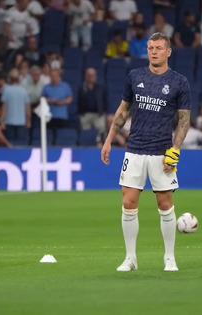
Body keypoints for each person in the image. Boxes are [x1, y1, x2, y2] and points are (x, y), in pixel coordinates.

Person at [100, 32, 191, 272]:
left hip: (162, 152)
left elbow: (184, 121)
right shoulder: (135, 76)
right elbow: (123, 110)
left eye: (159, 48)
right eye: (151, 47)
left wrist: (176, 149)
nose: (153, 51)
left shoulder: (179, 81)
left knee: (165, 204)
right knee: (128, 202)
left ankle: (169, 258)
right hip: (135, 150)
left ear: (168, 52)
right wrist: (109, 140)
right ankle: (131, 258)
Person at [1, 69, 31, 141]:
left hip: (9, 122)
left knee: (11, 143)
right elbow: (28, 109)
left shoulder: (6, 91)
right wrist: (28, 121)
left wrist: (2, 121)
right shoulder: (24, 91)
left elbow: (4, 108)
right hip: (21, 122)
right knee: (20, 144)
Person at [78, 68, 106, 135]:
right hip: (85, 114)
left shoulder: (101, 88)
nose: (91, 77)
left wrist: (105, 113)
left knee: (101, 131)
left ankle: (102, 144)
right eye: (89, 75)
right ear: (86, 76)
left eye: (92, 75)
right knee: (85, 133)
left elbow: (104, 101)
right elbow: (79, 102)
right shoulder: (82, 88)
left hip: (98, 114)